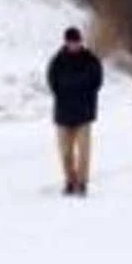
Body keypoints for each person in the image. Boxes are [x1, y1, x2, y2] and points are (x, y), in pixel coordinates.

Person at [47, 26, 103, 196]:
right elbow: (52, 81)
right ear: (66, 42)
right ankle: (70, 180)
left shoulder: (90, 60)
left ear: (81, 42)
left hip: (84, 112)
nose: (74, 45)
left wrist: (84, 93)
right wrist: (64, 91)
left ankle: (82, 182)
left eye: (76, 42)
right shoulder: (57, 60)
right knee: (65, 151)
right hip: (63, 113)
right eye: (71, 42)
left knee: (84, 150)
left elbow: (96, 81)